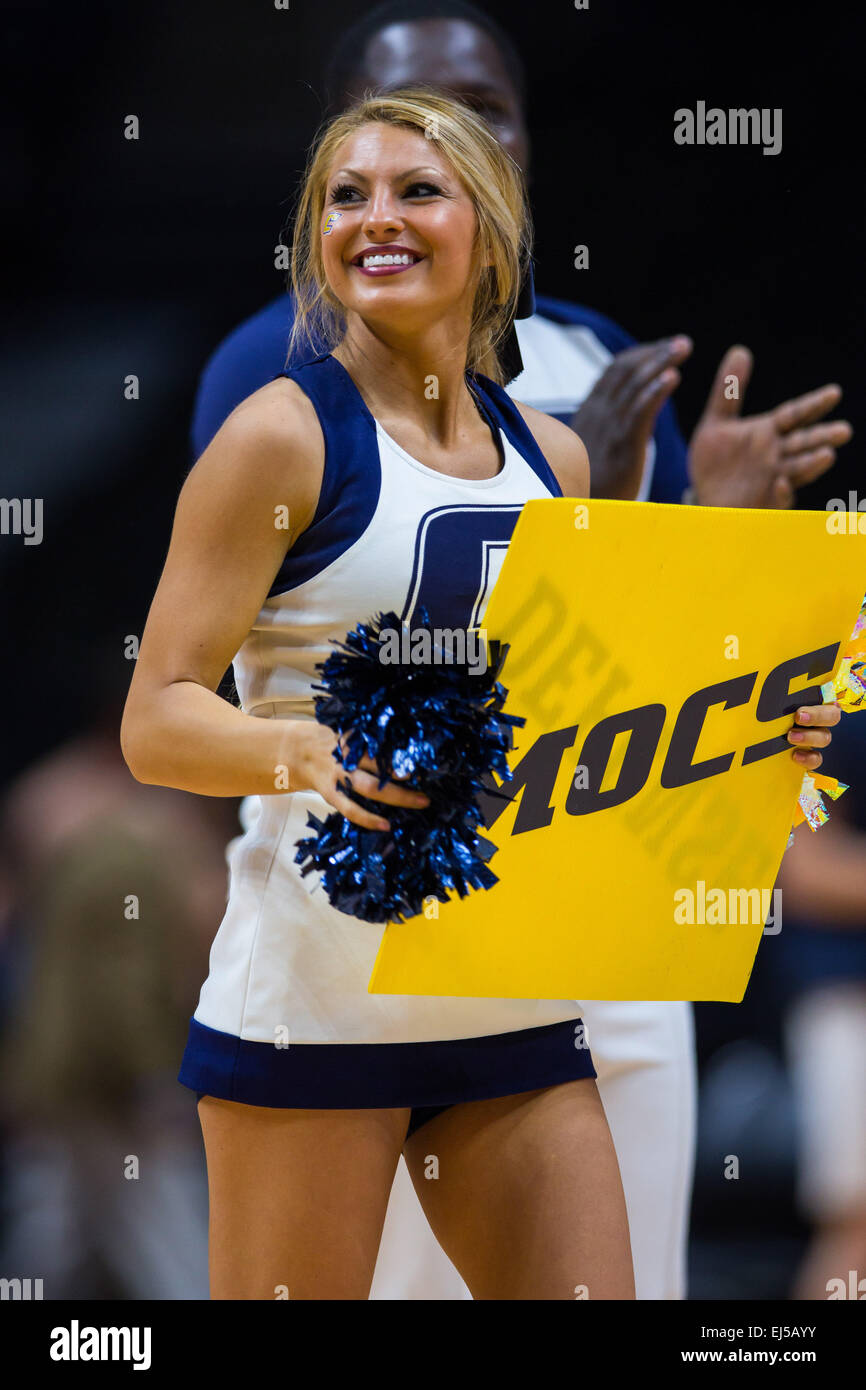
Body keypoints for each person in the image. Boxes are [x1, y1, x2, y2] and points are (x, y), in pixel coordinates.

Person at [187, 0, 852, 1300]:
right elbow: (333, 676)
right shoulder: (266, 372)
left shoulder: (593, 353)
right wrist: (580, 512)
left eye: (486, 108)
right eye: (410, 112)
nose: (455, 130)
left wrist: (710, 536)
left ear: (522, 147)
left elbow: (645, 678)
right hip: (375, 941)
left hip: (603, 925)